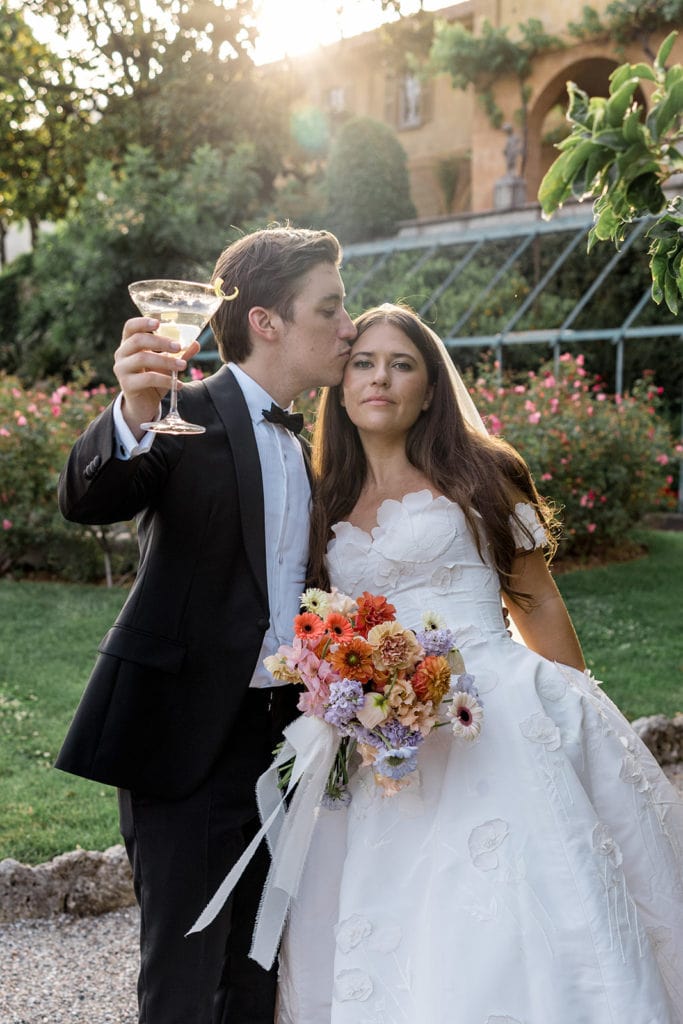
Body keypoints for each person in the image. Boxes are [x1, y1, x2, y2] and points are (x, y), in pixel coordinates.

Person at [276, 303, 683, 1023]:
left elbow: (538, 602)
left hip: (499, 711)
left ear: (430, 388)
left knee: (528, 906)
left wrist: (574, 701)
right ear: (340, 387)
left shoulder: (484, 474)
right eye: (363, 363)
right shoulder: (320, 497)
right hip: (385, 739)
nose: (380, 378)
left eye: (402, 364)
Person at [54, 225, 357, 1024]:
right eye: (330, 307)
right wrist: (131, 407)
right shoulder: (177, 414)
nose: (348, 325)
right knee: (183, 977)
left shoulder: (321, 444)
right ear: (266, 322)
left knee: (257, 969)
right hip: (182, 738)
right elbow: (88, 497)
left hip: (286, 741)